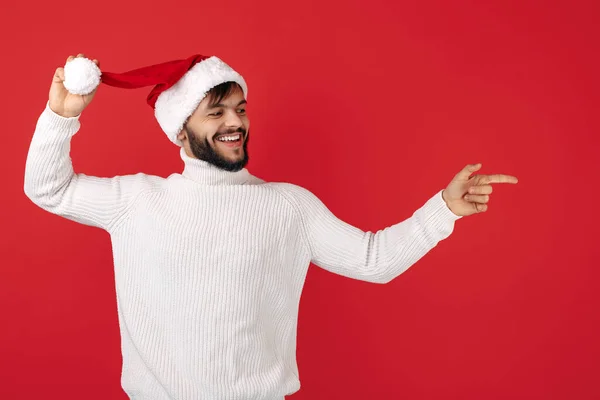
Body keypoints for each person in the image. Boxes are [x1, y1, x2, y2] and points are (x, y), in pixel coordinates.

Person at [23, 53, 518, 400]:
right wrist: (59, 118)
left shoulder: (289, 207)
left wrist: (444, 210)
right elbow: (48, 189)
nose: (234, 122)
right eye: (215, 112)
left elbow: (375, 259)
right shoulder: (136, 200)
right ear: (181, 130)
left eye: (240, 109)